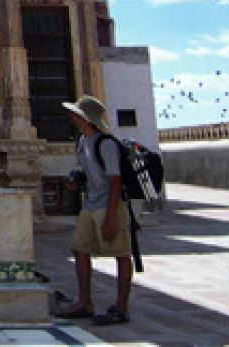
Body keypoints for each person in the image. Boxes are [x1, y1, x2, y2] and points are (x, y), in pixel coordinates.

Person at [57, 95, 132, 325]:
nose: (71, 118)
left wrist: (109, 218)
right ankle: (85, 302)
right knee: (80, 249)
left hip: (109, 205)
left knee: (121, 254)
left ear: (85, 118)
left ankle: (121, 306)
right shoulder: (82, 142)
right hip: (89, 204)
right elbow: (87, 172)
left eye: (76, 114)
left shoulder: (106, 144)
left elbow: (115, 182)